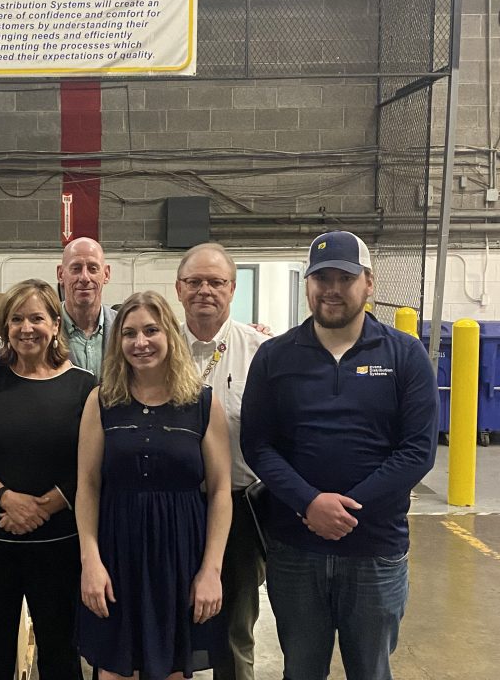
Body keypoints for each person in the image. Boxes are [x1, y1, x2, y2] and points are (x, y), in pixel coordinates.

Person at [240, 231, 438, 680]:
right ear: (308, 285)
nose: (331, 289)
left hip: (375, 552)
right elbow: (258, 444)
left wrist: (347, 509)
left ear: (369, 283)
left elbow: (417, 451)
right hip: (295, 549)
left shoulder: (405, 356)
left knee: (370, 670)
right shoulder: (274, 357)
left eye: (344, 278)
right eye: (321, 278)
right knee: (301, 669)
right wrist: (309, 503)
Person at [78, 290, 232, 680]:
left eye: (151, 330)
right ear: (118, 342)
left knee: (175, 670)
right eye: (129, 333)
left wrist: (211, 570)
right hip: (117, 551)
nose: (140, 342)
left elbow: (219, 491)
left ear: (169, 336)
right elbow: (88, 486)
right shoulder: (101, 402)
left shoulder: (201, 403)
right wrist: (90, 561)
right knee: (115, 671)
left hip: (181, 554)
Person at [0, 278, 96, 680]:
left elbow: (92, 467)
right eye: (16, 319)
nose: (26, 328)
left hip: (59, 544)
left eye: (36, 318)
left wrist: (43, 505)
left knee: (60, 652)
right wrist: (6, 499)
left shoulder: (84, 387)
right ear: (5, 326)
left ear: (55, 324)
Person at [176, 243, 266, 680]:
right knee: (172, 624)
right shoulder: (153, 345)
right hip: (172, 507)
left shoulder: (262, 352)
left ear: (232, 289)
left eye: (215, 282)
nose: (204, 291)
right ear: (179, 289)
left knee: (235, 629)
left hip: (240, 509)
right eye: (195, 282)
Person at [57, 236, 116, 378]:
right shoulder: (44, 328)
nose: (84, 277)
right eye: (76, 268)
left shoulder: (123, 326)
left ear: (106, 274)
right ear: (60, 274)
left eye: (93, 268)